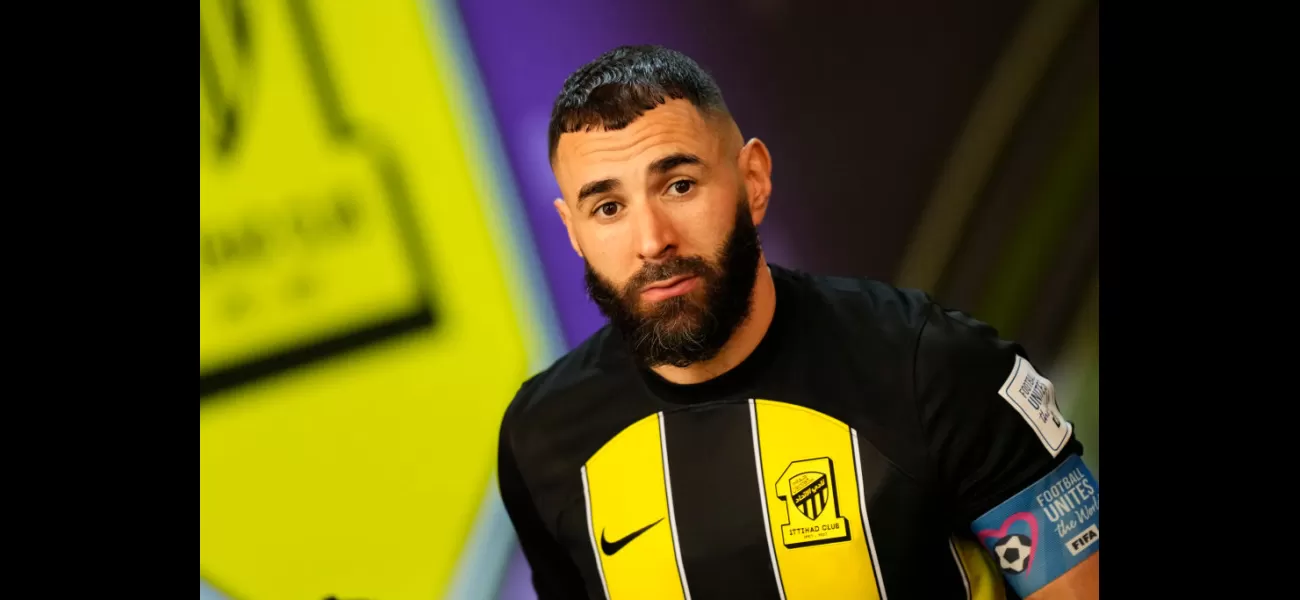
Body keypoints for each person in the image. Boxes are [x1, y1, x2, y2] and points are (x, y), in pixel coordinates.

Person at [497, 45, 1098, 600]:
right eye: (608, 208)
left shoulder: (933, 367)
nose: (652, 240)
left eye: (679, 185)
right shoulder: (541, 438)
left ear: (753, 180)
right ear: (573, 231)